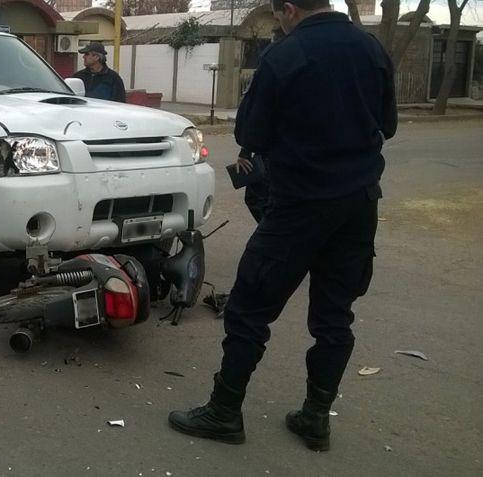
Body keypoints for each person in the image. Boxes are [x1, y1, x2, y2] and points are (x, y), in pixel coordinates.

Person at [168, 0, 397, 451]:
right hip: (358, 205)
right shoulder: (371, 48)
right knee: (335, 317)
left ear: (289, 9)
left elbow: (250, 135)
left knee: (249, 308)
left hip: (300, 204)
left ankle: (224, 411)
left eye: (278, 15)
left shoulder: (285, 55)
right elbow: (387, 125)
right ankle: (315, 417)